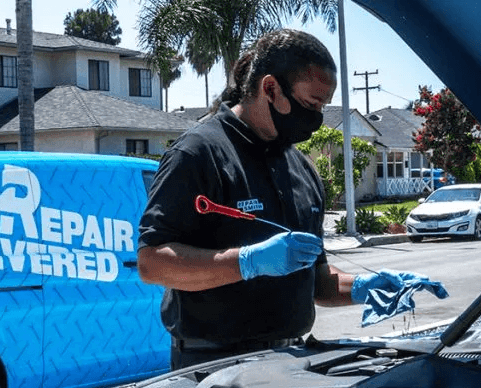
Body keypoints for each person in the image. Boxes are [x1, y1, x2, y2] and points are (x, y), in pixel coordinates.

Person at [138, 29, 444, 370]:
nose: (317, 118)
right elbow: (153, 263)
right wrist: (247, 262)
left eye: (323, 106)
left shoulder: (302, 169)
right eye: (311, 104)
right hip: (213, 365)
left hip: (293, 361)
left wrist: (362, 287)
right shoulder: (198, 154)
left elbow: (317, 281)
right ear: (270, 88)